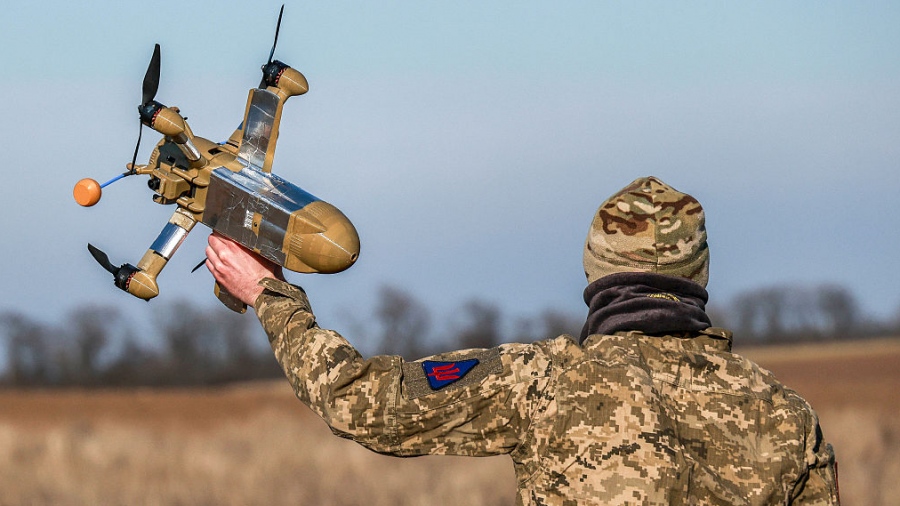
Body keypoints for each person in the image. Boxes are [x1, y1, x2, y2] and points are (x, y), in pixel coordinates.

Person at [205, 176, 839, 505]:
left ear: (596, 273)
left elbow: (359, 401)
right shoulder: (787, 416)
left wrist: (269, 294)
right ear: (698, 277)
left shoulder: (548, 382)